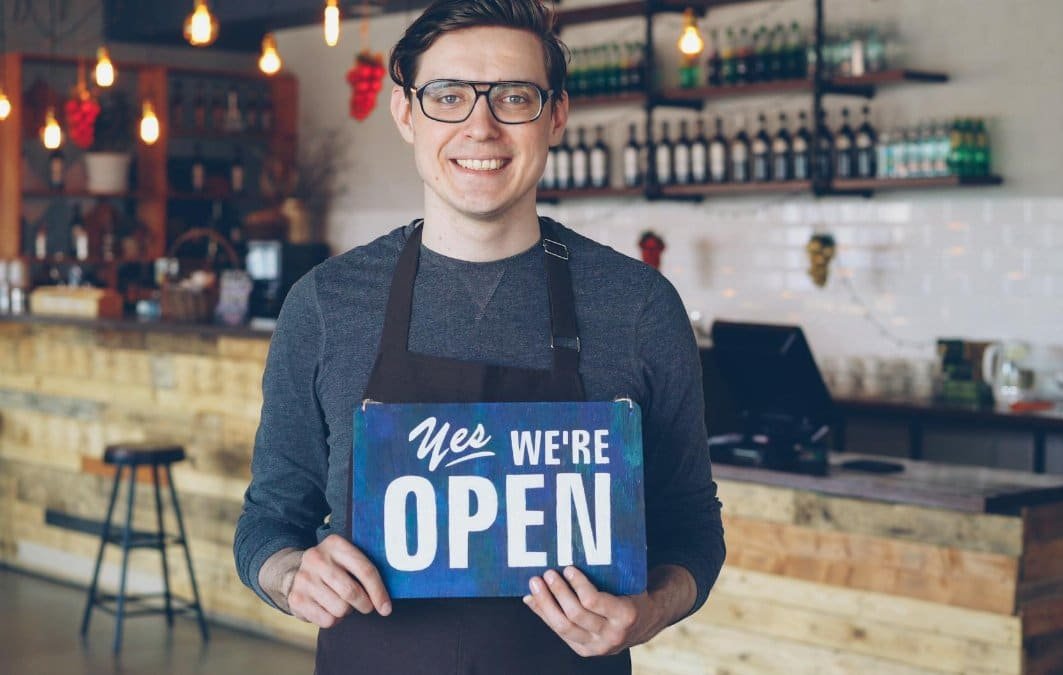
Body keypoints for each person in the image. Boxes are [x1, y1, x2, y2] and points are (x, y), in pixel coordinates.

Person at [233, 0, 724, 672]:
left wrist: (650, 608)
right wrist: (292, 575)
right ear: (406, 113)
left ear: (555, 115)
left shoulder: (638, 307)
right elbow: (267, 524)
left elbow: (693, 528)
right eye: (449, 96)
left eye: (514, 96)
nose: (481, 126)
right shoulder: (324, 305)